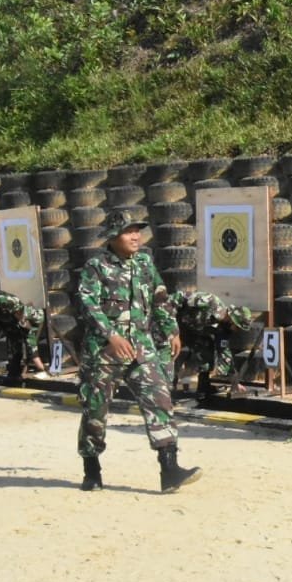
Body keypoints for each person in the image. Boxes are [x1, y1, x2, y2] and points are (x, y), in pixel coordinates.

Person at [75, 209, 201, 494]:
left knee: (159, 399)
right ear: (113, 236)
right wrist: (111, 335)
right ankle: (91, 468)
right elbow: (87, 304)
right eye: (129, 231)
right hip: (105, 350)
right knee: (95, 409)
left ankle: (169, 469)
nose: (136, 236)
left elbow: (159, 297)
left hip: (142, 347)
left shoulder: (145, 262)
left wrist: (171, 329)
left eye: (138, 230)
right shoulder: (96, 266)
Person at [154, 291, 254, 397]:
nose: (236, 331)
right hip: (170, 325)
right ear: (233, 320)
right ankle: (162, 387)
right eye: (237, 327)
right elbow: (176, 299)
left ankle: (203, 385)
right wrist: (172, 330)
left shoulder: (224, 330)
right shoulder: (210, 301)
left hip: (190, 332)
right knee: (168, 353)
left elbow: (225, 354)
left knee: (206, 348)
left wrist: (235, 381)